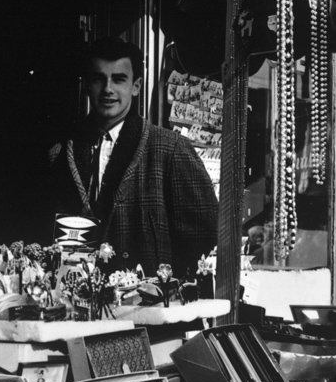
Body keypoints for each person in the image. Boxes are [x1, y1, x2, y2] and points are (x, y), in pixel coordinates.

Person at [47, 37, 218, 276]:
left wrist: (165, 286)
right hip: (77, 293)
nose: (108, 89)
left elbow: (204, 240)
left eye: (119, 79)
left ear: (136, 86)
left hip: (144, 296)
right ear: (86, 84)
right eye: (98, 79)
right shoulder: (61, 153)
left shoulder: (172, 149)